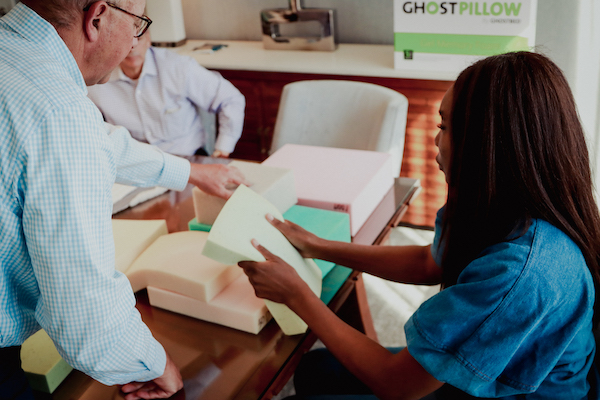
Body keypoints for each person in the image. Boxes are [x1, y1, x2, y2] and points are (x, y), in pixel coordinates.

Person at [239, 51, 600, 400]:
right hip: (485, 366)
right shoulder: (489, 199)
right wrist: (320, 246)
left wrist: (297, 295)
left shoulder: (522, 274)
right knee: (314, 369)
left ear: (489, 146)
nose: (435, 139)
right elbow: (431, 262)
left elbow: (396, 386)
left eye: (445, 126)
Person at [0, 1, 246, 399]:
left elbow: (100, 142)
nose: (135, 39)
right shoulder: (61, 111)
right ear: (96, 17)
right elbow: (83, 310)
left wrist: (191, 171)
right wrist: (153, 363)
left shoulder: (14, 56)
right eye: (137, 23)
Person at [87, 31, 245, 158]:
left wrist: (223, 149)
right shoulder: (95, 79)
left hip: (187, 159)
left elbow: (231, 99)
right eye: (124, 39)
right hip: (135, 163)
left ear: (148, 39)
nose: (132, 46)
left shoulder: (178, 67)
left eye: (139, 38)